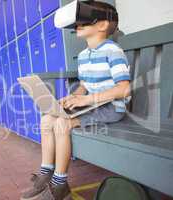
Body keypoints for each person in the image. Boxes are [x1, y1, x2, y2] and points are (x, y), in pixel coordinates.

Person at [20, 1, 131, 200]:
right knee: (47, 118)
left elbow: (124, 89)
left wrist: (87, 100)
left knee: (62, 123)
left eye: (83, 22)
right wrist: (74, 97)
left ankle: (60, 184)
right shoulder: (83, 56)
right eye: (77, 23)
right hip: (92, 105)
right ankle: (46, 174)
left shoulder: (112, 51)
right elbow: (84, 85)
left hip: (111, 108)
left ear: (103, 25)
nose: (77, 25)